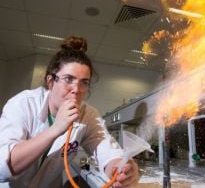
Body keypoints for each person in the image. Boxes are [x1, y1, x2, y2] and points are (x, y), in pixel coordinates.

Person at [0, 36, 139, 188]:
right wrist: (56, 129)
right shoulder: (23, 104)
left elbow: (107, 150)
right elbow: (4, 167)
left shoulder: (88, 114)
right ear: (51, 81)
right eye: (68, 79)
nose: (76, 90)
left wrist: (119, 168)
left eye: (84, 82)